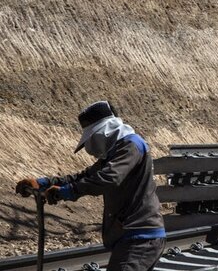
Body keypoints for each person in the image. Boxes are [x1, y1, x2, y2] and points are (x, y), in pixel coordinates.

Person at [15, 101, 166, 271]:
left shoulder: (131, 146)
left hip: (140, 237)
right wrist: (44, 183)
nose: (90, 146)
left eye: (92, 137)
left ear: (104, 131)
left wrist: (66, 192)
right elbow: (84, 176)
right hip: (132, 236)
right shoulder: (114, 153)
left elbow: (108, 179)